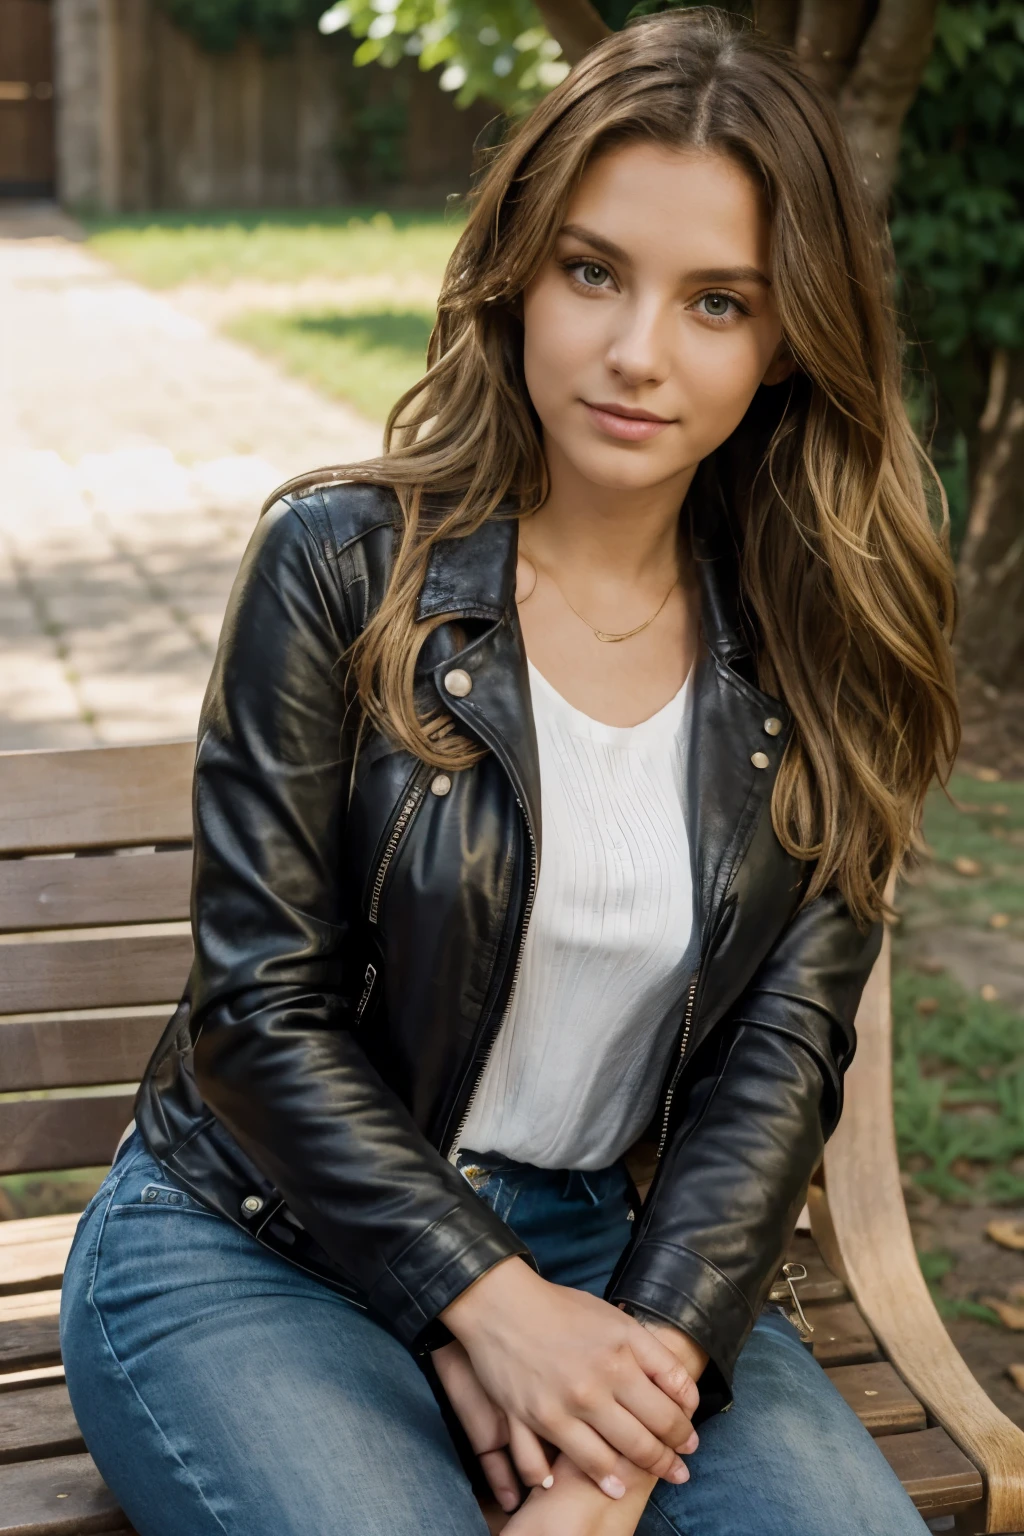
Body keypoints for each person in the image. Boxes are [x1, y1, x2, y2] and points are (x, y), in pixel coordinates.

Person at [60, 9, 959, 1535]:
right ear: (519, 271)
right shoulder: (340, 567)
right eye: (594, 271)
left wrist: (626, 1408)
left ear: (792, 334)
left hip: (616, 1255)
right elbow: (258, 1013)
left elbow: (777, 1063)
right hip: (259, 1238)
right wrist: (478, 1301)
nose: (635, 351)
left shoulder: (824, 648)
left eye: (718, 302)